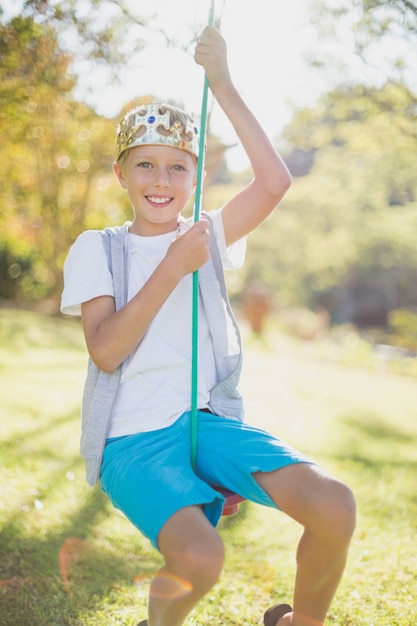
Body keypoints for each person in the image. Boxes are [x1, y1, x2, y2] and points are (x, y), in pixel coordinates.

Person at [61, 26, 356, 626]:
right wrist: (171, 268)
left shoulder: (207, 236)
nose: (161, 182)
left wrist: (221, 83)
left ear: (194, 177)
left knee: (334, 505)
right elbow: (107, 351)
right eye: (145, 165)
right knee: (200, 557)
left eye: (177, 168)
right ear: (121, 175)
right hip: (134, 439)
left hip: (206, 424)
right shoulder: (98, 248)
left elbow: (274, 182)